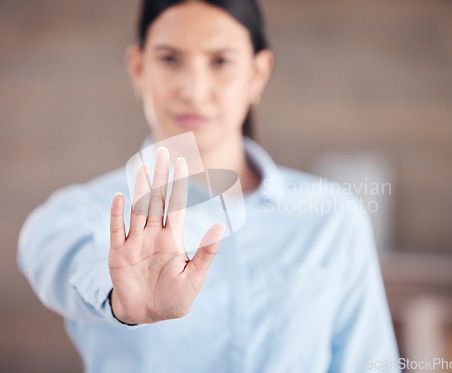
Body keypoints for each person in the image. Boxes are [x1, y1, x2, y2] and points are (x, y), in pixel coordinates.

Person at [18, 0, 401, 372]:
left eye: (221, 61)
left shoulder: (331, 217)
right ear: (138, 68)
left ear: (258, 73)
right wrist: (118, 296)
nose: (194, 89)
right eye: (169, 59)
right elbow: (51, 251)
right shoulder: (83, 212)